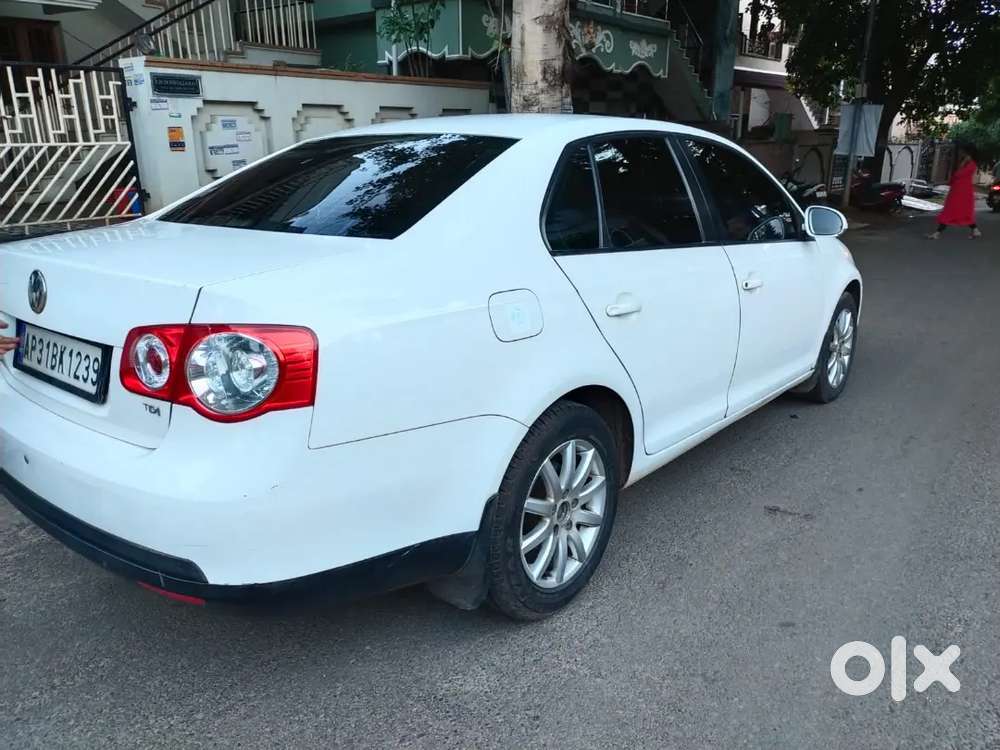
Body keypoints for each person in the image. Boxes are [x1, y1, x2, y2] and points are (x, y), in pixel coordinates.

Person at [927, 145, 982, 239]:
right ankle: (975, 230)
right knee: (959, 212)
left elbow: (958, 175)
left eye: (963, 152)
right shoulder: (966, 163)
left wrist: (962, 163)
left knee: (953, 211)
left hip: (962, 192)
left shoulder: (971, 164)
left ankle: (937, 233)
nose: (962, 153)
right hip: (958, 191)